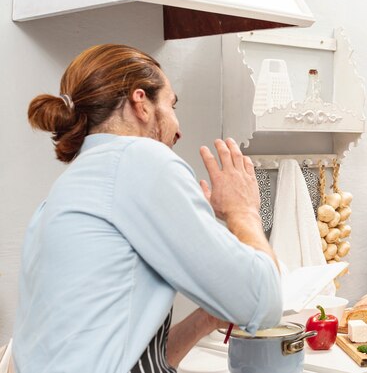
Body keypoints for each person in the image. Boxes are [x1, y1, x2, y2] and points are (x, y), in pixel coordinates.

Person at [12, 44, 283, 372]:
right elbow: (264, 303)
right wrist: (244, 211)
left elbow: (140, 357)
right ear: (140, 102)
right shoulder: (139, 159)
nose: (178, 127)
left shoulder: (66, 189)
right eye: (171, 104)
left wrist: (208, 317)